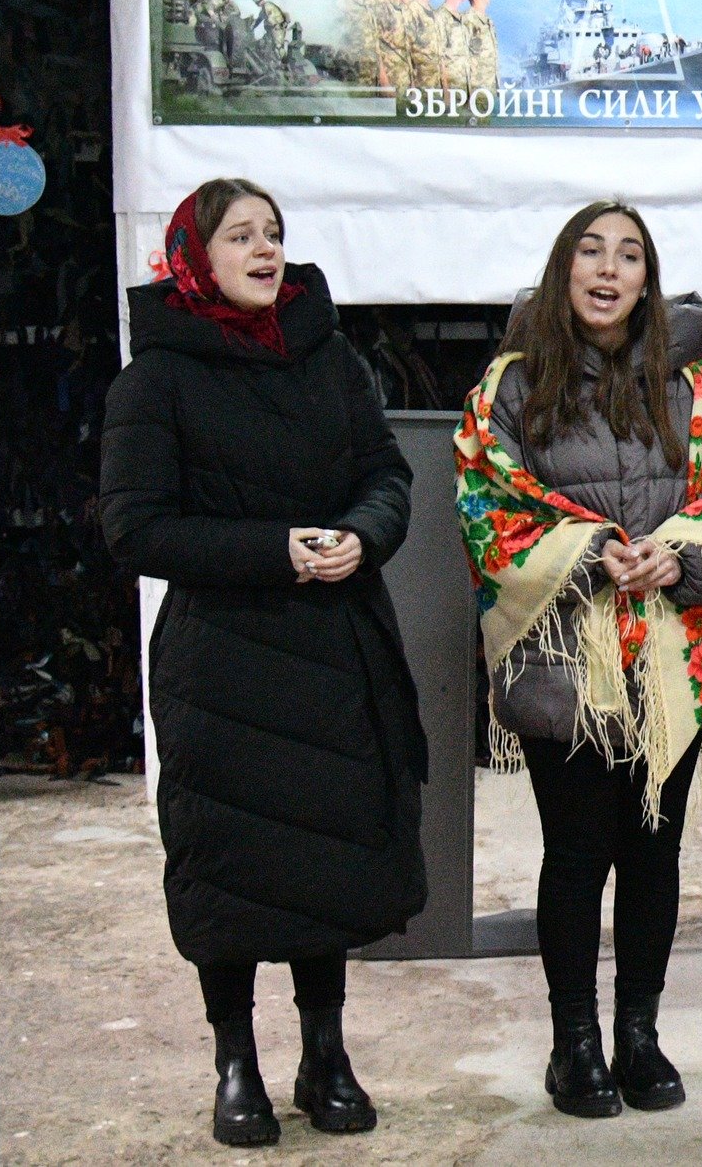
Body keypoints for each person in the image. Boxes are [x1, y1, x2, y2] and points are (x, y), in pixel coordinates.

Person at [99, 178, 428, 1146]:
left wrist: (364, 536)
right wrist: (272, 549)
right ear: (194, 259)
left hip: (333, 649)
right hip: (222, 663)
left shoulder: (329, 356)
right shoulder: (155, 379)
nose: (265, 249)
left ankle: (325, 1053)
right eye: (240, 236)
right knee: (230, 864)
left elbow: (386, 473)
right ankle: (234, 1061)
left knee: (323, 859)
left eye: (273, 233)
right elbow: (134, 528)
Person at [458, 203, 702, 1116]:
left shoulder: (700, 386)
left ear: (648, 280)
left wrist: (681, 557)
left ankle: (639, 1034)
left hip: (674, 653)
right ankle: (574, 1044)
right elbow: (485, 496)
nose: (608, 269)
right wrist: (592, 549)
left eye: (628, 255)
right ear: (564, 269)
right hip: (566, 652)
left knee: (653, 850)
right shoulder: (514, 386)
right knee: (577, 852)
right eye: (591, 252)